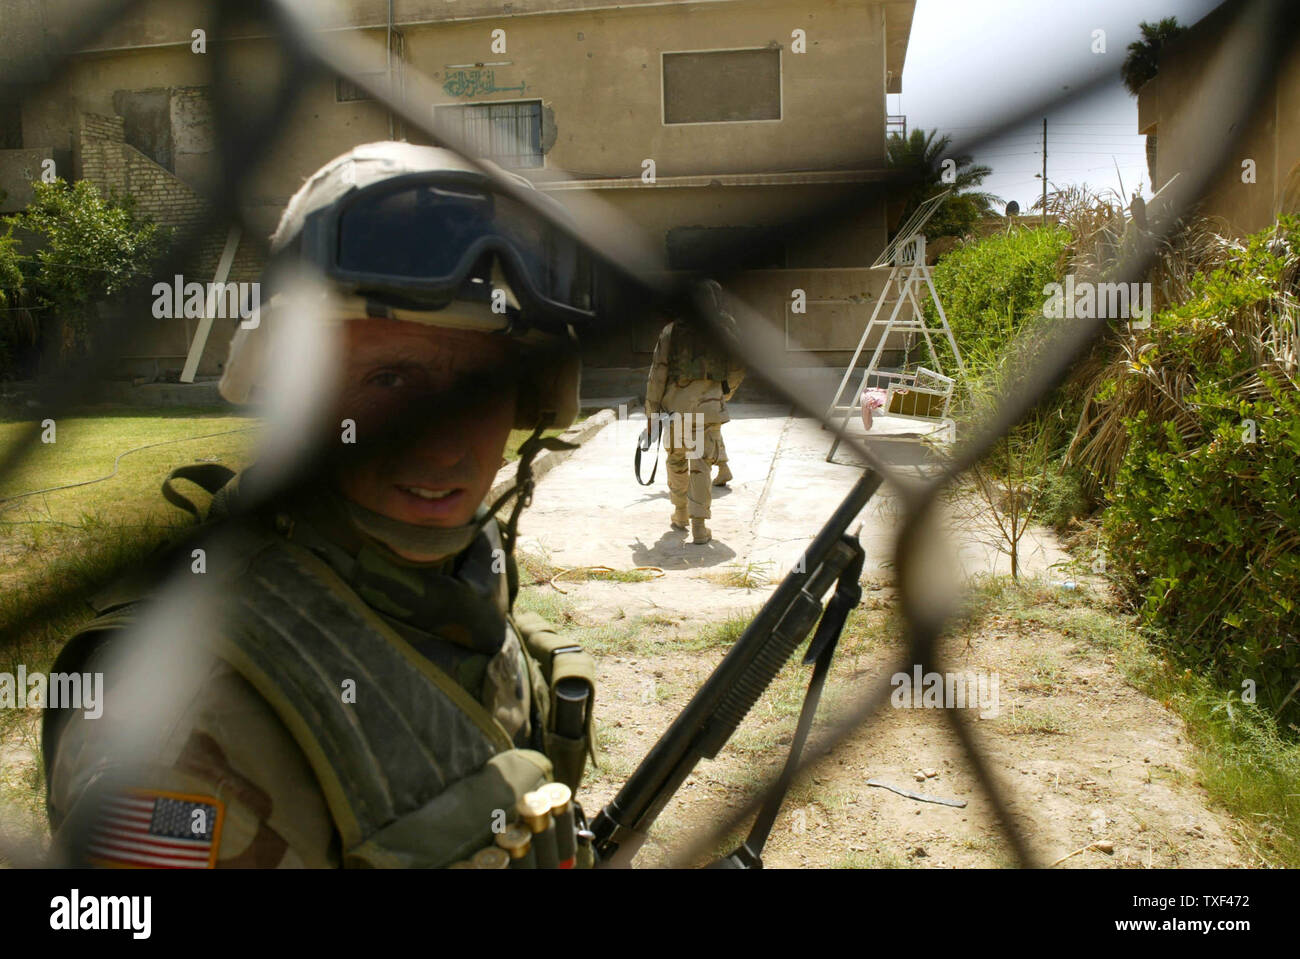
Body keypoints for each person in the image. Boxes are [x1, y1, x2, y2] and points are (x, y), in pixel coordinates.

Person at [41, 142, 597, 869]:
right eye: (391, 378)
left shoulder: (458, 584)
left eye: (480, 388)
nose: (443, 445)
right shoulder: (180, 726)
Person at [643, 290, 745, 544]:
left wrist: (651, 412)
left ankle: (680, 514)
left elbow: (657, 374)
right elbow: (738, 366)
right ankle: (699, 528)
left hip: (676, 411)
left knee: (677, 460)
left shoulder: (671, 331)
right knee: (700, 463)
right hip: (708, 411)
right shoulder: (724, 330)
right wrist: (724, 394)